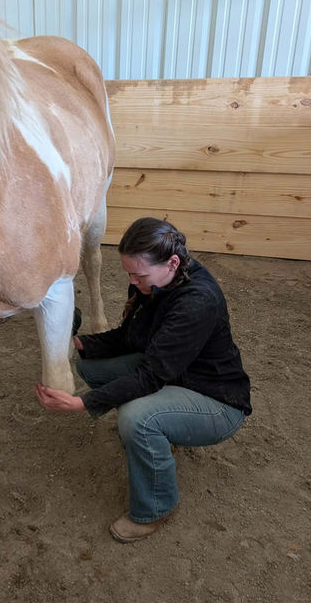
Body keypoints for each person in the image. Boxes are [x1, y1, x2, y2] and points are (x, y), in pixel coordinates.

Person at [35, 217, 252, 543]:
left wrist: (82, 403)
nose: (133, 281)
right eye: (129, 274)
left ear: (172, 263)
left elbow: (151, 376)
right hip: (177, 373)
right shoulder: (156, 282)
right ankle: (161, 430)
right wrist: (83, 343)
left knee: (136, 418)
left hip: (215, 399)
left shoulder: (196, 301)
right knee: (92, 368)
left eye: (139, 274)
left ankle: (155, 508)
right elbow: (130, 336)